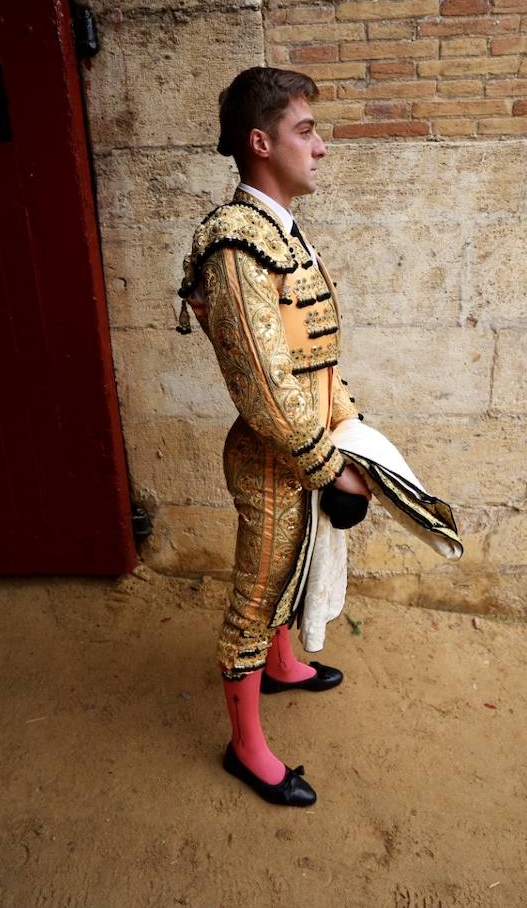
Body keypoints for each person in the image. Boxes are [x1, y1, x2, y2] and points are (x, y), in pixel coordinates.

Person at [177, 67, 371, 807]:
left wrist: (350, 425)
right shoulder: (237, 247)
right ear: (260, 143)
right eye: (305, 130)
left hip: (302, 443)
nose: (320, 147)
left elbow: (314, 360)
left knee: (296, 564)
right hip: (271, 458)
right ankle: (246, 747)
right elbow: (264, 388)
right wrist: (329, 467)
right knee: (255, 601)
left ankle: (286, 668)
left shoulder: (277, 234)